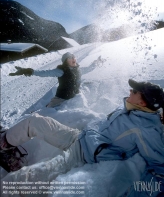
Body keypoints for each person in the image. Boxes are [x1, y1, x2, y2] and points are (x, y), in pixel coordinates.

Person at [1, 79, 164, 196]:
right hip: (80, 137)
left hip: (82, 154)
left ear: (143, 103)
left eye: (135, 91)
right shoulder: (132, 107)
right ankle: (3, 144)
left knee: (17, 181)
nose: (130, 91)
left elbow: (158, 167)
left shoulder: (147, 129)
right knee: (35, 121)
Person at [9, 52, 81, 108]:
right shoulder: (61, 71)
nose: (73, 59)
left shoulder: (77, 69)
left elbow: (77, 82)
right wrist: (30, 71)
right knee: (46, 112)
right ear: (65, 61)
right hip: (61, 98)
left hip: (73, 97)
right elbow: (46, 73)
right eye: (70, 58)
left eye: (73, 57)